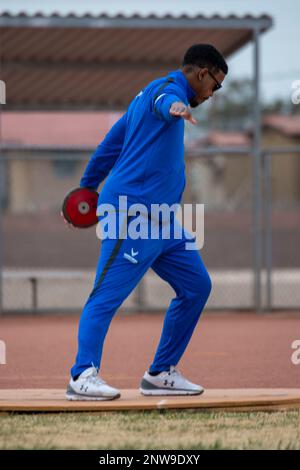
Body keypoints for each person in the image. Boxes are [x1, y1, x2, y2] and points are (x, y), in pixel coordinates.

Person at [65, 44, 228, 401]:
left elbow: (111, 145)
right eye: (215, 85)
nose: (213, 94)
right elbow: (166, 102)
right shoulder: (164, 92)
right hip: (132, 215)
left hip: (164, 222)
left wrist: (88, 186)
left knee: (197, 286)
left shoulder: (141, 99)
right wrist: (176, 108)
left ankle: (160, 373)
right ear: (202, 74)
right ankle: (82, 376)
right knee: (105, 296)